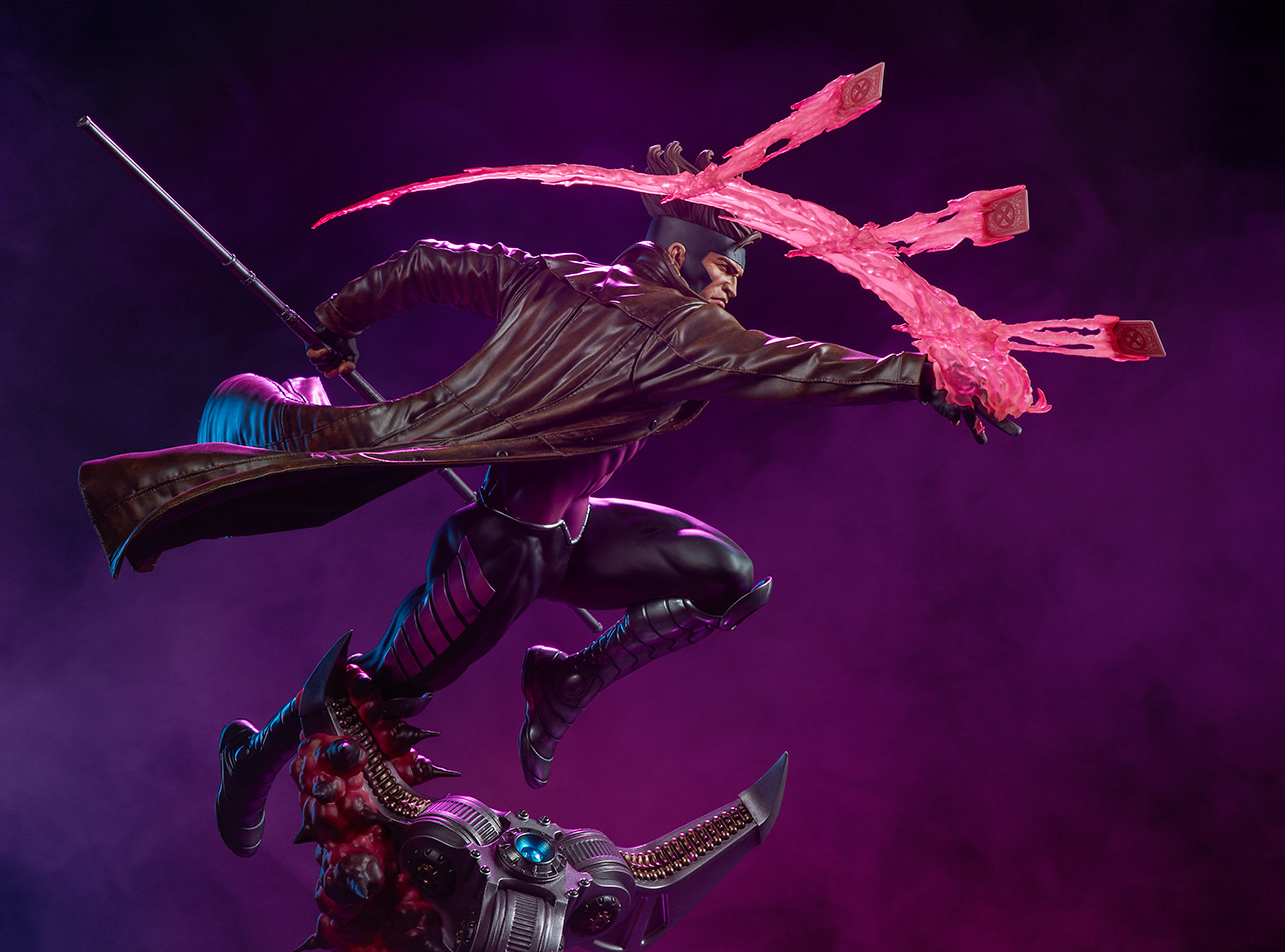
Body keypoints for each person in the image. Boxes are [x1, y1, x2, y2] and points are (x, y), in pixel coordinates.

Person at [77, 143, 1016, 854]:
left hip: (566, 529)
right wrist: (925, 379)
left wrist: (339, 320)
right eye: (726, 269)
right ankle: (253, 760)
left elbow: (428, 261)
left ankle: (565, 680)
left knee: (726, 579)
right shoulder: (685, 334)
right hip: (501, 552)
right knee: (381, 694)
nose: (732, 287)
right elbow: (804, 367)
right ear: (682, 257)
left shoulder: (549, 275)